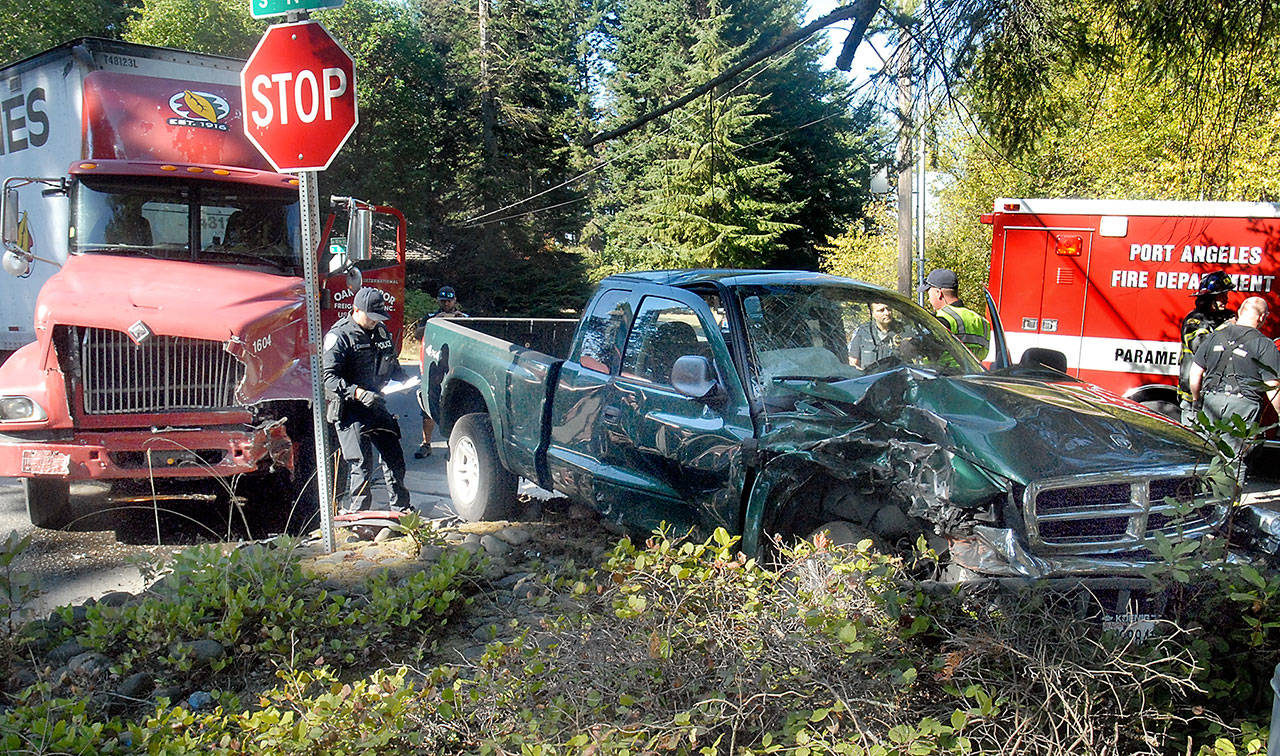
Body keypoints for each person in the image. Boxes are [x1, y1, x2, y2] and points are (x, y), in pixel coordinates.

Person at [322, 287, 411, 513]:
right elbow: (328, 378)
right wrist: (357, 392)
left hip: (376, 404)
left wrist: (404, 380)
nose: (375, 321)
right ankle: (358, 515)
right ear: (356, 310)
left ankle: (401, 510)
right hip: (350, 409)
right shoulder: (339, 335)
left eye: (378, 317)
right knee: (360, 464)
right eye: (371, 317)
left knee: (394, 457)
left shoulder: (380, 331)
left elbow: (390, 362)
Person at [1188, 296, 1280, 455]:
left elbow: (1195, 373)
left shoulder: (1214, 337)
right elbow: (1272, 386)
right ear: (1262, 317)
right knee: (1233, 460)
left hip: (1211, 402)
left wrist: (1196, 402)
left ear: (1239, 312)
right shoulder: (1265, 345)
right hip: (1243, 408)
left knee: (1207, 455)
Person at [413, 286, 469, 459]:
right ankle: (426, 443)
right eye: (443, 301)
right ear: (438, 301)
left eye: (449, 300)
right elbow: (417, 334)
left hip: (456, 368)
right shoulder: (430, 317)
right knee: (428, 407)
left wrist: (461, 321)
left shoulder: (465, 317)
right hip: (434, 367)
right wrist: (436, 321)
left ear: (455, 300)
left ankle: (453, 445)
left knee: (457, 408)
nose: (446, 304)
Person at [1178, 270, 1236, 425]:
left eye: (1226, 294)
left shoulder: (1227, 317)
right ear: (1208, 297)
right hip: (1195, 400)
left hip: (1220, 395)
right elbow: (1202, 348)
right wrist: (1226, 329)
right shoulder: (1194, 321)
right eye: (1220, 295)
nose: (1226, 299)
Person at [919, 268, 990, 359]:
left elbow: (926, 349)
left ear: (938, 293)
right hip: (974, 372)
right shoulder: (981, 321)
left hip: (944, 372)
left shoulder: (942, 319)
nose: (929, 300)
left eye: (929, 294)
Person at [848, 302, 903, 369]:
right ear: (872, 313)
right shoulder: (862, 332)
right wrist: (865, 376)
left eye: (889, 309)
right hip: (870, 378)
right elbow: (853, 363)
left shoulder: (903, 330)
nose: (887, 313)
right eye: (881, 310)